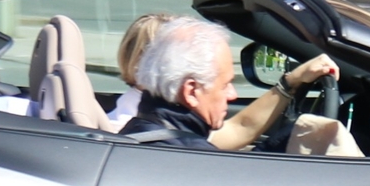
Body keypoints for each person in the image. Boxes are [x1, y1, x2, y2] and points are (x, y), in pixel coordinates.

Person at [121, 17, 349, 154]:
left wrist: (291, 82)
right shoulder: (196, 161)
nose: (233, 94)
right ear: (191, 91)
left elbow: (241, 128)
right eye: (226, 84)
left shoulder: (145, 132)